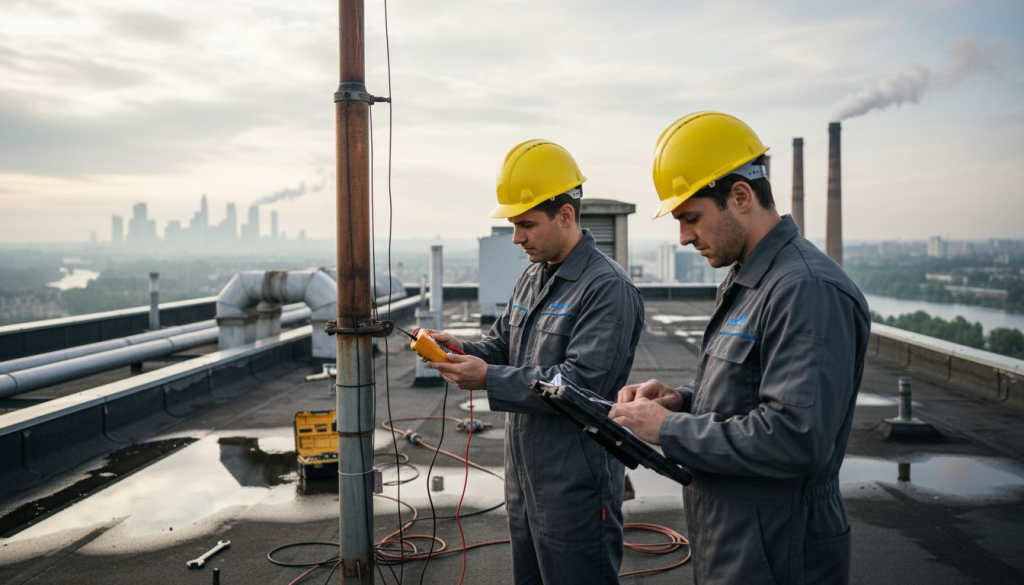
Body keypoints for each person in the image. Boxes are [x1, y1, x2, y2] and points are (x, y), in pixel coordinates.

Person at [610, 111, 870, 585]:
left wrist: (670, 429)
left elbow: (796, 437)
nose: (684, 236)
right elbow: (750, 387)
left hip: (779, 548)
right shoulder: (751, 277)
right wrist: (682, 400)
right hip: (736, 538)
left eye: (691, 218)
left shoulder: (806, 289)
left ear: (741, 196)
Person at [424, 139, 645, 584]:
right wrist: (463, 351)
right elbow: (502, 344)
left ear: (565, 215)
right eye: (513, 224)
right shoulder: (532, 276)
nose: (516, 237)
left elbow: (580, 382)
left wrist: (489, 379)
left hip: (575, 482)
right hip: (525, 476)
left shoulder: (606, 288)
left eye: (526, 224)